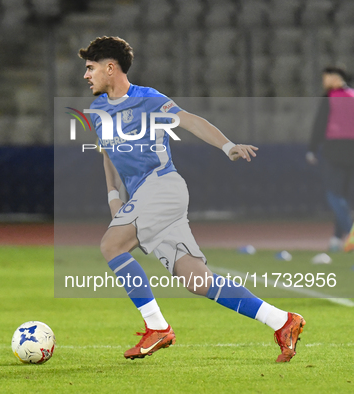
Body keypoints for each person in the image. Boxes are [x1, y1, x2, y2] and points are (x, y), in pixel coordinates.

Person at [78, 36, 305, 362]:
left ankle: (157, 327)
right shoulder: (98, 108)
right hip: (145, 197)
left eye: (91, 68)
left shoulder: (148, 99)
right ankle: (282, 321)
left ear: (110, 68)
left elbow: (191, 121)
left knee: (111, 246)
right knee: (198, 280)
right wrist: (114, 196)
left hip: (162, 188)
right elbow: (108, 155)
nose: (86, 75)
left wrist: (228, 146)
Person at [307, 66, 354, 253]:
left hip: (334, 151)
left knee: (334, 195)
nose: (324, 82)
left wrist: (311, 149)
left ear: (336, 78)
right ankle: (336, 238)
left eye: (326, 78)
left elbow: (320, 123)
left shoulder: (330, 98)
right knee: (345, 197)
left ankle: (349, 233)